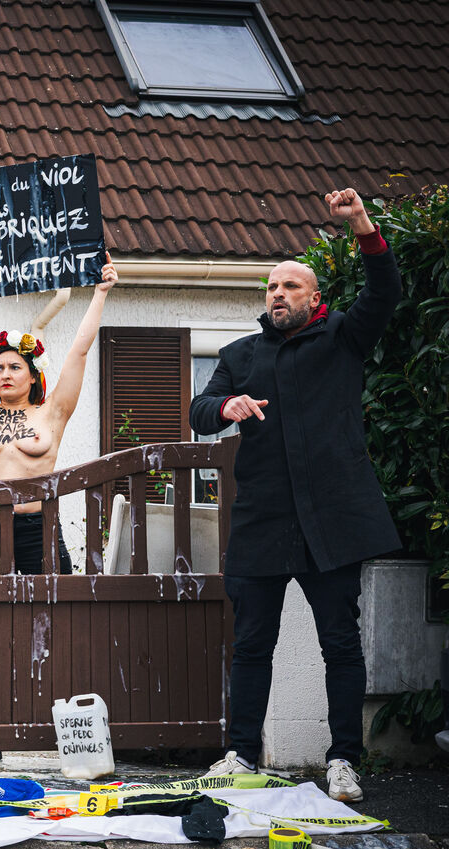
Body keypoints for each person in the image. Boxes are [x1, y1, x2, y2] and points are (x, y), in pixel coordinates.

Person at [191, 188, 402, 803]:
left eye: (290, 285)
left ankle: (343, 760)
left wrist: (362, 225)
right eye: (271, 287)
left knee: (340, 642)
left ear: (314, 297)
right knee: (253, 643)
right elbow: (201, 410)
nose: (277, 293)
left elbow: (384, 291)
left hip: (333, 519)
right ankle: (240, 754)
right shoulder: (239, 355)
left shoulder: (343, 337)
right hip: (263, 520)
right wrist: (225, 406)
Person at [0, 255, 117, 574]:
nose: (5, 374)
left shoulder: (52, 412)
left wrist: (100, 293)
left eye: (15, 367)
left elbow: (79, 352)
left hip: (39, 531)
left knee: (54, 606)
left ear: (32, 377)